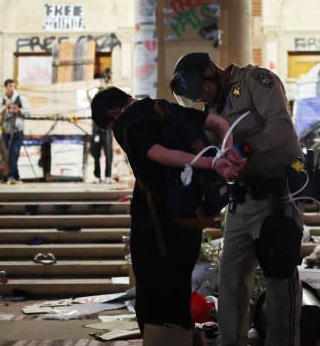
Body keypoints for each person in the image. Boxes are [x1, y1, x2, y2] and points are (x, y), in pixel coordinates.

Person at [90, 87, 243, 345]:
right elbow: (219, 123)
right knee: (179, 283)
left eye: (110, 126)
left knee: (152, 286)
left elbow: (157, 153)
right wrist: (227, 154)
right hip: (190, 212)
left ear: (114, 113)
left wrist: (211, 163)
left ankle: (161, 339)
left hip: (156, 220)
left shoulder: (127, 122)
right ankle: (180, 335)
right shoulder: (166, 107)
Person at [170, 52, 304, 346]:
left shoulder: (255, 80)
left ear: (211, 71)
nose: (203, 98)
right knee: (230, 282)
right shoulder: (212, 107)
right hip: (240, 199)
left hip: (277, 196)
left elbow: (281, 125)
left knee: (280, 277)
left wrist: (246, 148)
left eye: (202, 90)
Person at [0, 79, 29, 184]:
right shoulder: (1, 100)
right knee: (8, 155)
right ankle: (15, 176)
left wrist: (19, 110)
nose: (12, 88)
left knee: (15, 153)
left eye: (13, 86)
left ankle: (11, 176)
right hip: (6, 131)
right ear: (6, 87)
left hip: (17, 131)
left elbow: (29, 112)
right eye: (10, 86)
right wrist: (5, 108)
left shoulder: (21, 99)